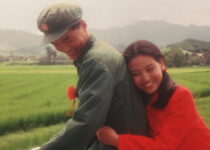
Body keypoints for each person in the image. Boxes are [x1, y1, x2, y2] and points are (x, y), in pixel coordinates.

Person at [32, 2, 148, 150]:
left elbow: (87, 122)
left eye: (67, 39)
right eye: (56, 44)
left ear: (83, 25)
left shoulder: (96, 60)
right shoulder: (92, 53)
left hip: (118, 143)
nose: (64, 48)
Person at [96, 40, 210, 150]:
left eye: (150, 69)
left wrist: (117, 140)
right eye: (136, 74)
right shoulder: (144, 98)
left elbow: (164, 147)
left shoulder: (181, 96)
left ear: (161, 63)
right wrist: (79, 91)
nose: (145, 78)